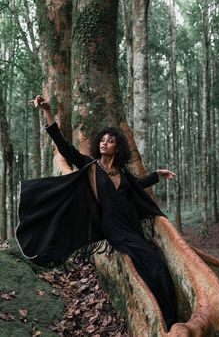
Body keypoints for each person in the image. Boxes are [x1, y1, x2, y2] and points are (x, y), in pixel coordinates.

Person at [16, 95, 177, 330]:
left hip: (131, 226)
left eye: (110, 141)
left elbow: (137, 187)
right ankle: (171, 322)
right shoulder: (91, 168)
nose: (104, 143)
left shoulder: (122, 173)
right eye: (102, 140)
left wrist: (155, 176)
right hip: (114, 230)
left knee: (149, 268)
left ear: (117, 146)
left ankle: (166, 316)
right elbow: (63, 146)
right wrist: (48, 111)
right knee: (157, 267)